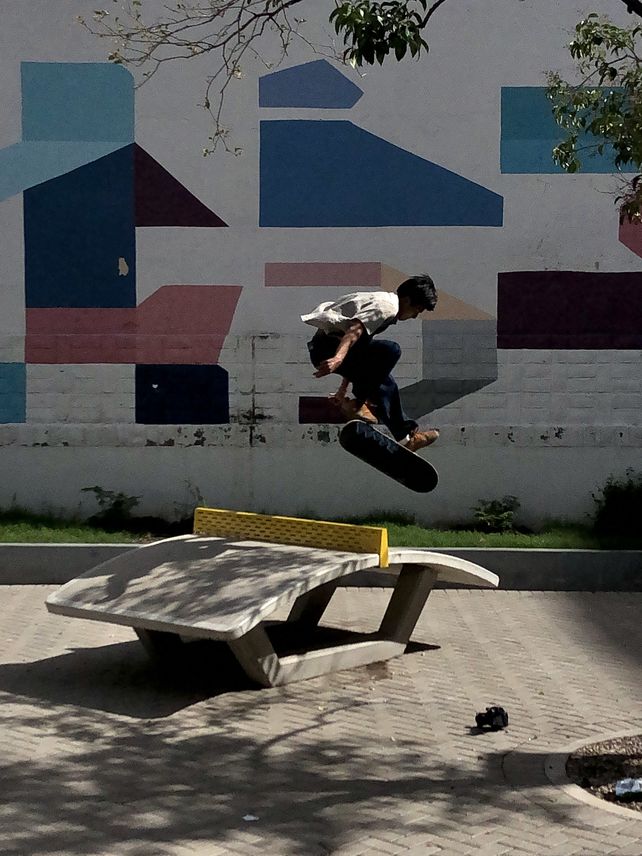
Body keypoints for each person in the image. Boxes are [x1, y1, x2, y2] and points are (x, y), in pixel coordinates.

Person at [301, 275, 440, 452]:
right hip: (327, 348)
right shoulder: (385, 307)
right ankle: (359, 404)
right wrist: (337, 358)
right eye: (417, 310)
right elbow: (353, 333)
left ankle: (405, 440)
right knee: (391, 350)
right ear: (407, 300)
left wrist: (342, 389)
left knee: (384, 381)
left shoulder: (383, 306)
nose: (414, 316)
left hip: (329, 347)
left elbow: (358, 349)